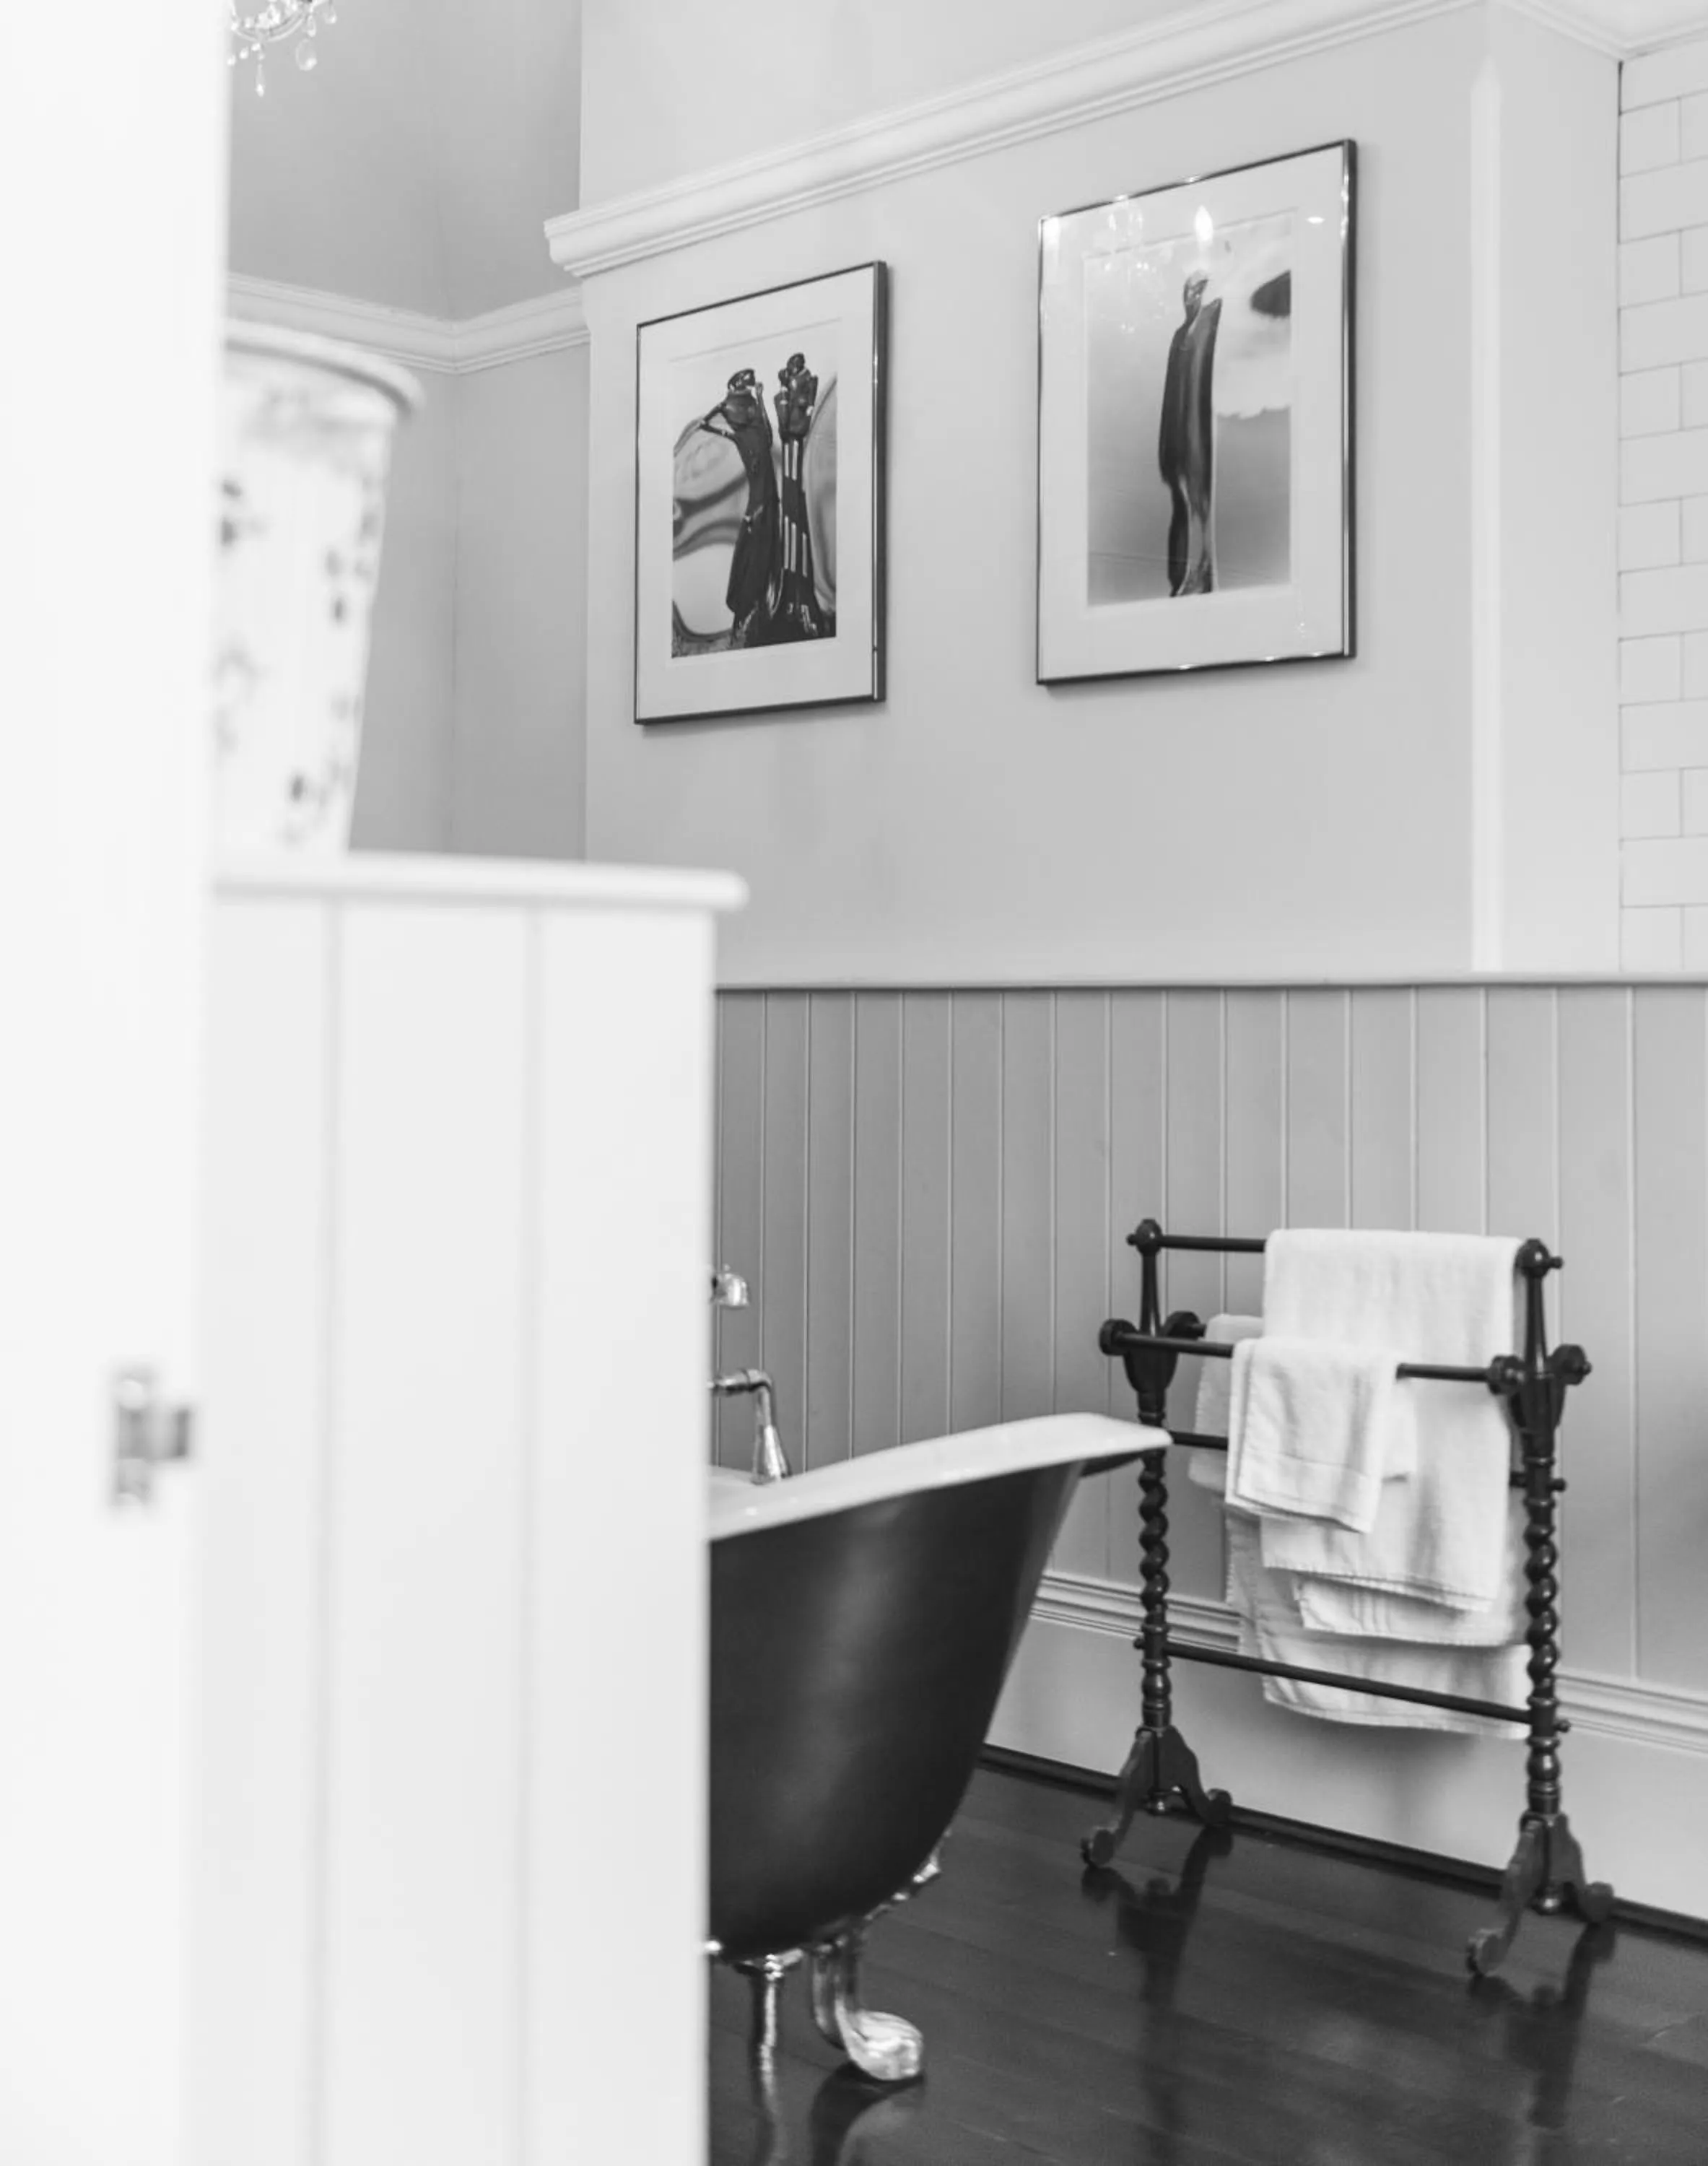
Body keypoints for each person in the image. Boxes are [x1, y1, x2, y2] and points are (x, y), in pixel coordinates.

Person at [697, 367, 779, 643]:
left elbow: (768, 436)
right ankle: (744, 618)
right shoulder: (739, 427)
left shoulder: (753, 420)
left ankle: (750, 618)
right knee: (753, 560)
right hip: (760, 504)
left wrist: (761, 397)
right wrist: (725, 429)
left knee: (760, 559)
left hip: (767, 500)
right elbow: (705, 423)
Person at [1157, 270, 1221, 597]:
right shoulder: (1180, 335)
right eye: (1188, 292)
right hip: (1179, 435)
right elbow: (1172, 390)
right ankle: (1182, 578)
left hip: (1199, 431)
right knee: (1181, 501)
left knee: (1201, 500)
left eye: (1197, 290)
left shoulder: (1212, 319)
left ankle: (1204, 570)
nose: (1191, 297)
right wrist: (1167, 445)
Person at [771, 352, 826, 639]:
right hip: (791, 446)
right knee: (790, 519)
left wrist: (788, 399)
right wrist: (783, 395)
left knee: (795, 521)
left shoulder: (805, 386)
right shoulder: (794, 386)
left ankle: (799, 599)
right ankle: (790, 599)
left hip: (796, 445)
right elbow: (785, 420)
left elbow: (792, 421)